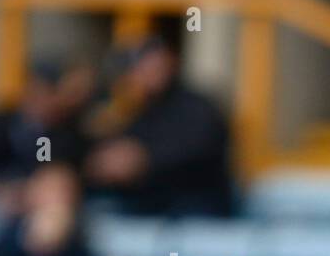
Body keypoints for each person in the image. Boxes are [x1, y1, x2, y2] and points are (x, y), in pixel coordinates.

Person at [82, 36, 233, 217]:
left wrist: (144, 160)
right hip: (143, 205)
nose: (150, 72)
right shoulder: (125, 108)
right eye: (142, 66)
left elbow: (197, 151)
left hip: (195, 206)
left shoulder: (198, 107)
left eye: (156, 64)